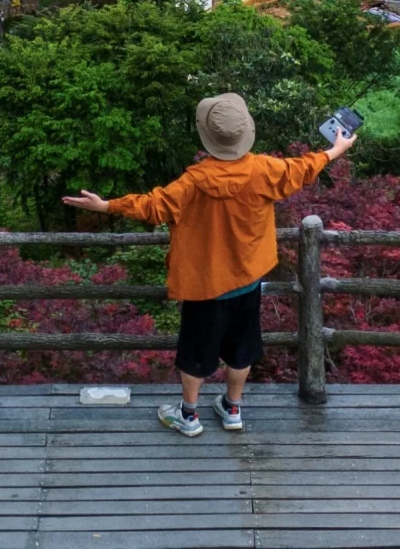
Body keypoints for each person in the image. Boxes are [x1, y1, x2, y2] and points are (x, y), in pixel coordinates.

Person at [63, 91, 356, 437]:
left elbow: (153, 207)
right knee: (241, 350)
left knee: (195, 354)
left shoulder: (194, 181)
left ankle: (189, 416)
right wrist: (337, 148)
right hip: (248, 281)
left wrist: (107, 206)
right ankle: (232, 409)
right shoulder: (263, 169)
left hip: (205, 286)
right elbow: (304, 168)